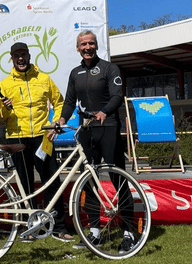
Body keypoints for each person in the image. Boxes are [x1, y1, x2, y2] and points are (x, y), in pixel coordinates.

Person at [56, 30, 134, 253]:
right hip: (87, 131)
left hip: (108, 128)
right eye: (83, 44)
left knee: (119, 179)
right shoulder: (75, 73)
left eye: (91, 43)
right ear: (78, 48)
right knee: (89, 181)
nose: (87, 47)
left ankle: (129, 233)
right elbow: (70, 101)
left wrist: (104, 112)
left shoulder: (110, 68)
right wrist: (62, 119)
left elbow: (117, 96)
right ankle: (95, 233)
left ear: (96, 46)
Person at [0, 42, 73, 243]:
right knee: (25, 183)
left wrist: (57, 122)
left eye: (23, 55)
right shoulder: (4, 84)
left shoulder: (44, 78)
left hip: (42, 136)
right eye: (16, 56)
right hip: (17, 137)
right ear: (11, 59)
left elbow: (59, 102)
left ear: (29, 56)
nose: (20, 59)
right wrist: (4, 108)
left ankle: (58, 227)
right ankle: (29, 227)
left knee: (51, 181)